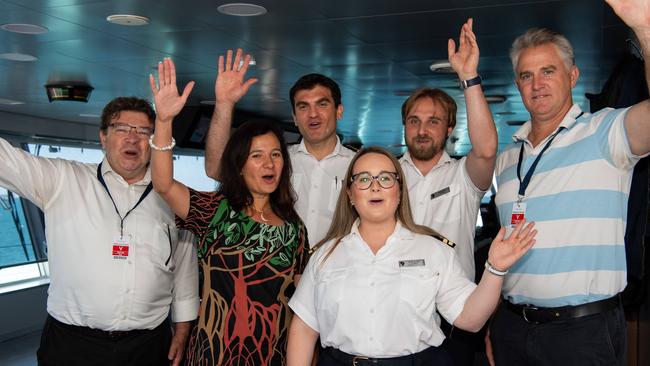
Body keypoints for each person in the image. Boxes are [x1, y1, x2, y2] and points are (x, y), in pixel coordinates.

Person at [489, 1, 650, 365]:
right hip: (512, 326)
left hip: (582, 333)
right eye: (527, 75)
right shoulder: (506, 160)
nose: (537, 84)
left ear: (573, 76)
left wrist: (645, 29)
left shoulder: (605, 132)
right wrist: (495, 321)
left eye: (549, 71)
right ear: (517, 84)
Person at [286, 147, 536, 366]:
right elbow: (305, 327)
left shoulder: (433, 250)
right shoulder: (324, 256)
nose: (375, 186)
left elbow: (469, 319)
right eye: (363, 179)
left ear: (399, 191)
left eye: (385, 178)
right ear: (350, 195)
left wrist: (495, 269)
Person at [0, 96, 199, 366]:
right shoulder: (63, 179)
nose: (132, 138)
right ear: (103, 137)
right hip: (72, 346)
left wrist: (183, 328)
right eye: (121, 129)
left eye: (143, 132)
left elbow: (184, 269)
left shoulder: (174, 197)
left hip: (149, 345)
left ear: (154, 142)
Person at [149, 57, 308, 365]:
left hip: (273, 354)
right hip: (213, 354)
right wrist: (164, 121)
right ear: (239, 164)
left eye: (276, 154)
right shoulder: (214, 212)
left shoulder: (293, 228)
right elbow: (164, 184)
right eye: (257, 155)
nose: (269, 163)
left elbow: (303, 303)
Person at [204, 50, 355, 246]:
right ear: (294, 117)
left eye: (322, 104)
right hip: (281, 268)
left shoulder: (357, 165)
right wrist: (224, 104)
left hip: (337, 271)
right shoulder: (277, 160)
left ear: (339, 111)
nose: (313, 114)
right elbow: (215, 169)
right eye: (303, 107)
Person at [400, 18, 497, 282]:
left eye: (433, 121)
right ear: (405, 125)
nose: (422, 130)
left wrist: (468, 77)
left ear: (449, 128)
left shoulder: (463, 176)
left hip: (452, 310)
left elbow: (487, 150)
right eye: (414, 121)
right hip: (395, 307)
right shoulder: (386, 176)